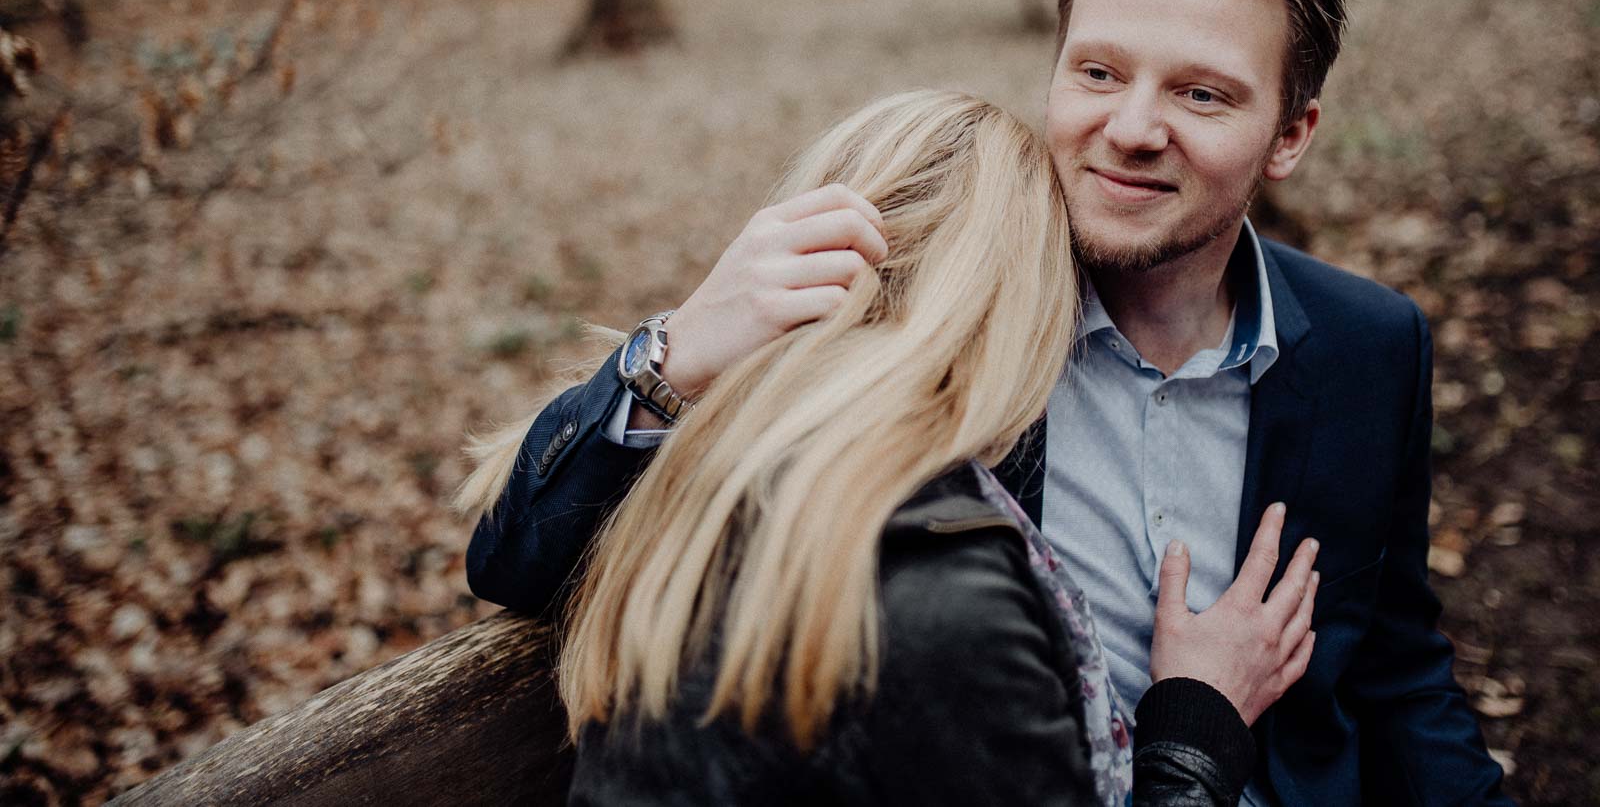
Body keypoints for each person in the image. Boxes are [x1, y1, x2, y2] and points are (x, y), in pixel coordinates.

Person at [465, 0, 1511, 804]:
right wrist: (679, 351)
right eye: (1097, 72)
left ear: (1290, 135)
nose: (1131, 129)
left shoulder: (1374, 347)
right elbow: (519, 561)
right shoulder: (941, 321)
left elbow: (1400, 679)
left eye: (1200, 96)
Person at [461, 89, 1320, 805]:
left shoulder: (722, 462)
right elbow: (506, 556)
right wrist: (1197, 722)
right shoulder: (942, 603)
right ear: (1021, 299)